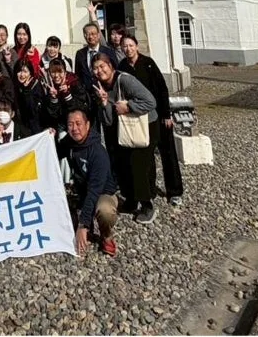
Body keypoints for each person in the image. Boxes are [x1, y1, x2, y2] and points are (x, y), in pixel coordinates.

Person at [92, 53, 158, 224]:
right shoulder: (101, 87)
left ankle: (147, 204)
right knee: (123, 164)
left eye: (102, 66)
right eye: (96, 68)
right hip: (123, 129)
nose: (99, 71)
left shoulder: (125, 80)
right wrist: (105, 103)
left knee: (138, 164)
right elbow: (107, 120)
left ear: (111, 65)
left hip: (144, 125)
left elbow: (150, 101)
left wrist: (128, 106)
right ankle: (130, 199)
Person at [119, 33, 184, 207]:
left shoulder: (148, 63)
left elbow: (162, 89)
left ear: (137, 46)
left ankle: (175, 191)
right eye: (125, 46)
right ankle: (150, 189)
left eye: (131, 45)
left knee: (168, 152)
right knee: (146, 156)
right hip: (138, 118)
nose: (128, 49)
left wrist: (167, 114)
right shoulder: (122, 65)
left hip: (157, 115)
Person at [59, 108, 119, 257]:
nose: (74, 129)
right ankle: (85, 220)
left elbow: (94, 191)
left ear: (87, 125)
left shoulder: (98, 152)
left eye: (78, 124)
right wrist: (48, 136)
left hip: (102, 192)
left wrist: (82, 226)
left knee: (104, 210)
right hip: (81, 191)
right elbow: (53, 152)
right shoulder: (69, 142)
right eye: (70, 125)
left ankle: (106, 235)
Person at [40, 57, 92, 136]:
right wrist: (54, 98)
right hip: (62, 126)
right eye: (53, 72)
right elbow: (53, 115)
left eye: (60, 72)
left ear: (65, 72)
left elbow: (80, 108)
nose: (56, 75)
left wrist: (67, 94)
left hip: (78, 125)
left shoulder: (75, 83)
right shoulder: (50, 87)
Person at [74, 20, 119, 92]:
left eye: (93, 34)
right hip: (87, 94)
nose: (90, 37)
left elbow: (115, 71)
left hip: (106, 91)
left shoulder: (109, 52)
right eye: (87, 34)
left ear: (98, 35)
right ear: (84, 36)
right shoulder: (80, 54)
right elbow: (77, 75)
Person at [12, 58, 47, 132]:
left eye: (25, 72)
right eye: (19, 71)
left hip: (35, 127)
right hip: (20, 127)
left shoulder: (36, 85)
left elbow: (33, 111)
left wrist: (27, 92)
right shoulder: (15, 86)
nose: (22, 75)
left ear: (30, 73)